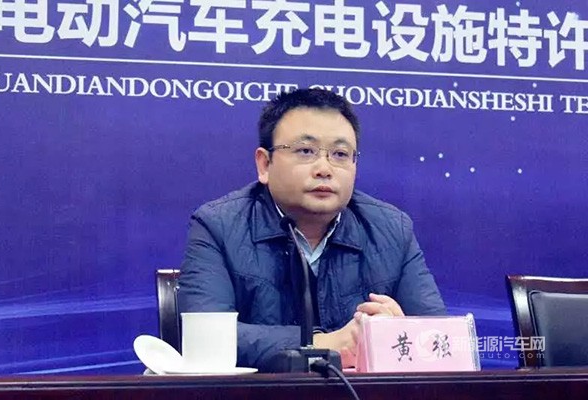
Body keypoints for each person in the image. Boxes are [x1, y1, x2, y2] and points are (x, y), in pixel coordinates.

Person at [176, 88, 446, 371]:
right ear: (265, 164)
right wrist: (323, 344)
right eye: (305, 151)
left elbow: (440, 340)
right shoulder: (217, 226)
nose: (324, 169)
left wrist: (398, 333)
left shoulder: (392, 229)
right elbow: (202, 338)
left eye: (340, 154)